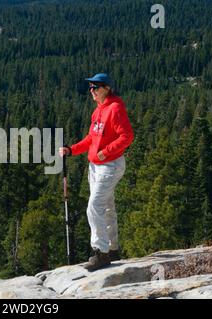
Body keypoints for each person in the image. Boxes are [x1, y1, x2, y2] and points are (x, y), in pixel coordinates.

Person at [59, 73, 134, 271]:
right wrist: (72, 149)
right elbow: (92, 138)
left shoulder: (115, 107)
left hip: (110, 165)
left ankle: (101, 253)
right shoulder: (99, 110)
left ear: (107, 88)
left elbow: (127, 136)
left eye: (96, 87)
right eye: (90, 87)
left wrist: (104, 153)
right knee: (107, 207)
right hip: (96, 166)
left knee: (94, 206)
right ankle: (113, 249)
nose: (91, 91)